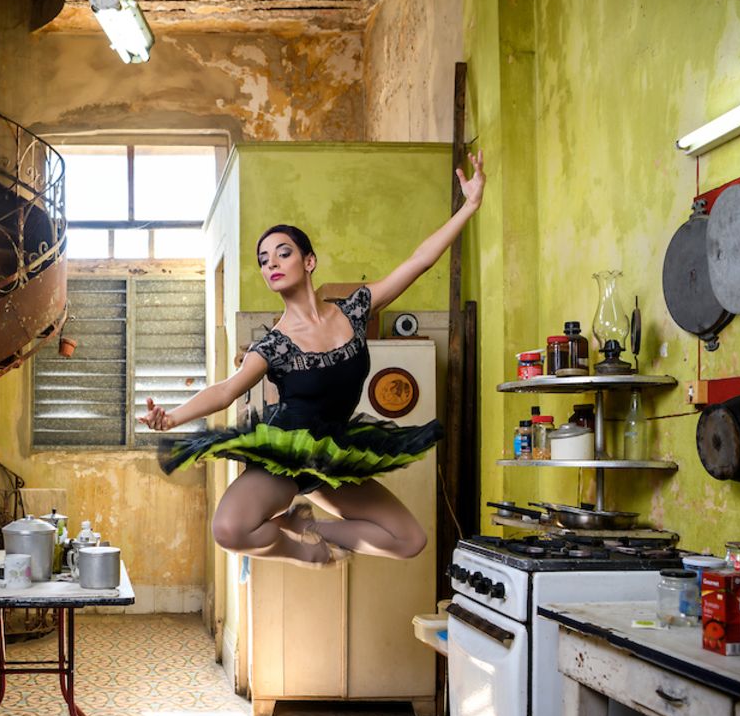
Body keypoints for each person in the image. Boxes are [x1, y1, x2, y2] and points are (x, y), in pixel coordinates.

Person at [139, 151, 486, 566]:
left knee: (409, 539)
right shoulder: (274, 345)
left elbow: (419, 260)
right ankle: (301, 552)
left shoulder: (355, 310)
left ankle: (305, 526)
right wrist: (173, 417)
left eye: (282, 254)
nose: (272, 265)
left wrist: (469, 206)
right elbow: (227, 390)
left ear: (309, 261)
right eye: (264, 262)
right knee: (229, 529)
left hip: (333, 452)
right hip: (286, 451)